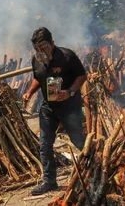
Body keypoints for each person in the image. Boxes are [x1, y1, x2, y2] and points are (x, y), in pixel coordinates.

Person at [22, 27, 87, 196]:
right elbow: (38, 77)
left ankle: (96, 167)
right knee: (44, 144)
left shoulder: (67, 56)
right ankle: (49, 181)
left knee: (79, 140)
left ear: (52, 43)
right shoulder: (36, 60)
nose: (40, 51)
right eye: (37, 48)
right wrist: (30, 92)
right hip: (48, 108)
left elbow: (82, 76)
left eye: (43, 46)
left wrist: (70, 92)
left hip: (69, 107)